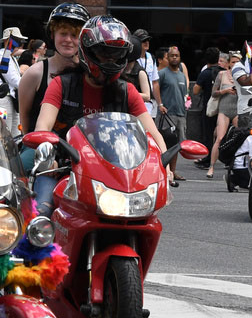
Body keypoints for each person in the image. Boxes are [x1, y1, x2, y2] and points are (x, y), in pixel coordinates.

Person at [33, 15, 166, 211]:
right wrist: (48, 156)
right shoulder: (61, 85)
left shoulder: (127, 91)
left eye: (116, 54)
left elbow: (153, 134)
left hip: (116, 178)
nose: (110, 59)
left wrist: (164, 166)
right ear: (87, 51)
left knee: (146, 217)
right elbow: (42, 127)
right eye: (104, 53)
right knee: (41, 212)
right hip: (64, 170)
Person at [18, 2, 88, 134]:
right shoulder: (35, 73)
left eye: (74, 35)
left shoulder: (89, 72)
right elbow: (25, 118)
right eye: (63, 33)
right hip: (41, 143)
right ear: (52, 35)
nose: (68, 39)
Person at [159, 46, 190, 183]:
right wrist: (160, 104)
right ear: (168, 57)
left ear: (180, 57)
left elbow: (184, 93)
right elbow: (155, 89)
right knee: (165, 143)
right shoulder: (162, 74)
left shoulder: (182, 75)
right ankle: (163, 171)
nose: (174, 58)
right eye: (172, 56)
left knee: (177, 145)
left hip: (181, 114)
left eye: (176, 56)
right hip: (167, 114)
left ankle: (172, 171)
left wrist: (187, 102)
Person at [206, 52, 238, 178]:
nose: (235, 64)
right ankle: (211, 167)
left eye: (238, 62)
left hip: (237, 110)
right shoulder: (222, 74)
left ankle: (235, 166)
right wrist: (225, 90)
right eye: (233, 62)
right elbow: (213, 93)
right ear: (229, 63)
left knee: (238, 138)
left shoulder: (243, 76)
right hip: (224, 109)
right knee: (219, 138)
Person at [132, 29, 161, 119]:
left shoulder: (151, 58)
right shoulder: (131, 58)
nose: (146, 42)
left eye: (148, 40)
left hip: (150, 102)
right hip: (136, 100)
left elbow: (155, 82)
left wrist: (160, 104)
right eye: (143, 40)